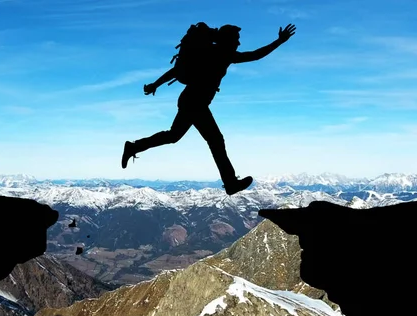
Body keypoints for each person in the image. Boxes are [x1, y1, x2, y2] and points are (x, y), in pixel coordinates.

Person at [121, 23, 296, 196]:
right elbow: (256, 55)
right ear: (228, 40)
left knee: (174, 136)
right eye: (236, 39)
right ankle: (230, 183)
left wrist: (155, 84)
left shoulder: (208, 52)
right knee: (215, 141)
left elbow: (176, 71)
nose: (238, 43)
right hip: (195, 103)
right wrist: (279, 41)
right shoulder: (222, 54)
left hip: (190, 101)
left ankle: (134, 147)